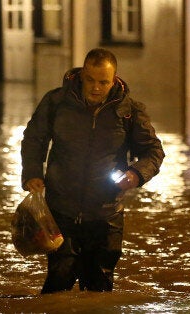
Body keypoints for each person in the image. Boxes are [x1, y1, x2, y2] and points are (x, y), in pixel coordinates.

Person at [20, 48, 165, 293]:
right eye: (90, 80)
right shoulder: (56, 102)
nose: (95, 88)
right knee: (57, 287)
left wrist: (135, 174)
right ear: (81, 75)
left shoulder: (130, 111)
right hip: (61, 212)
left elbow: (153, 151)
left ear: (114, 79)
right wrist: (33, 173)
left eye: (103, 82)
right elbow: (34, 138)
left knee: (99, 290)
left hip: (105, 214)